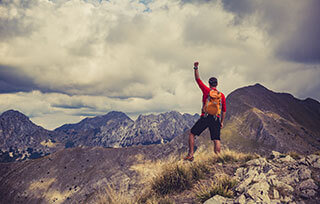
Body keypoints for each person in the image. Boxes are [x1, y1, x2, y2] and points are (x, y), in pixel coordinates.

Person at [184, 62, 226, 161]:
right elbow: (224, 110)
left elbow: (197, 80)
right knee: (216, 140)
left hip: (205, 117)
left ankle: (190, 155)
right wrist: (222, 122)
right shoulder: (221, 96)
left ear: (209, 84)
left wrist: (196, 68)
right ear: (217, 84)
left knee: (192, 134)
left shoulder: (206, 91)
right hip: (216, 118)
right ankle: (218, 159)